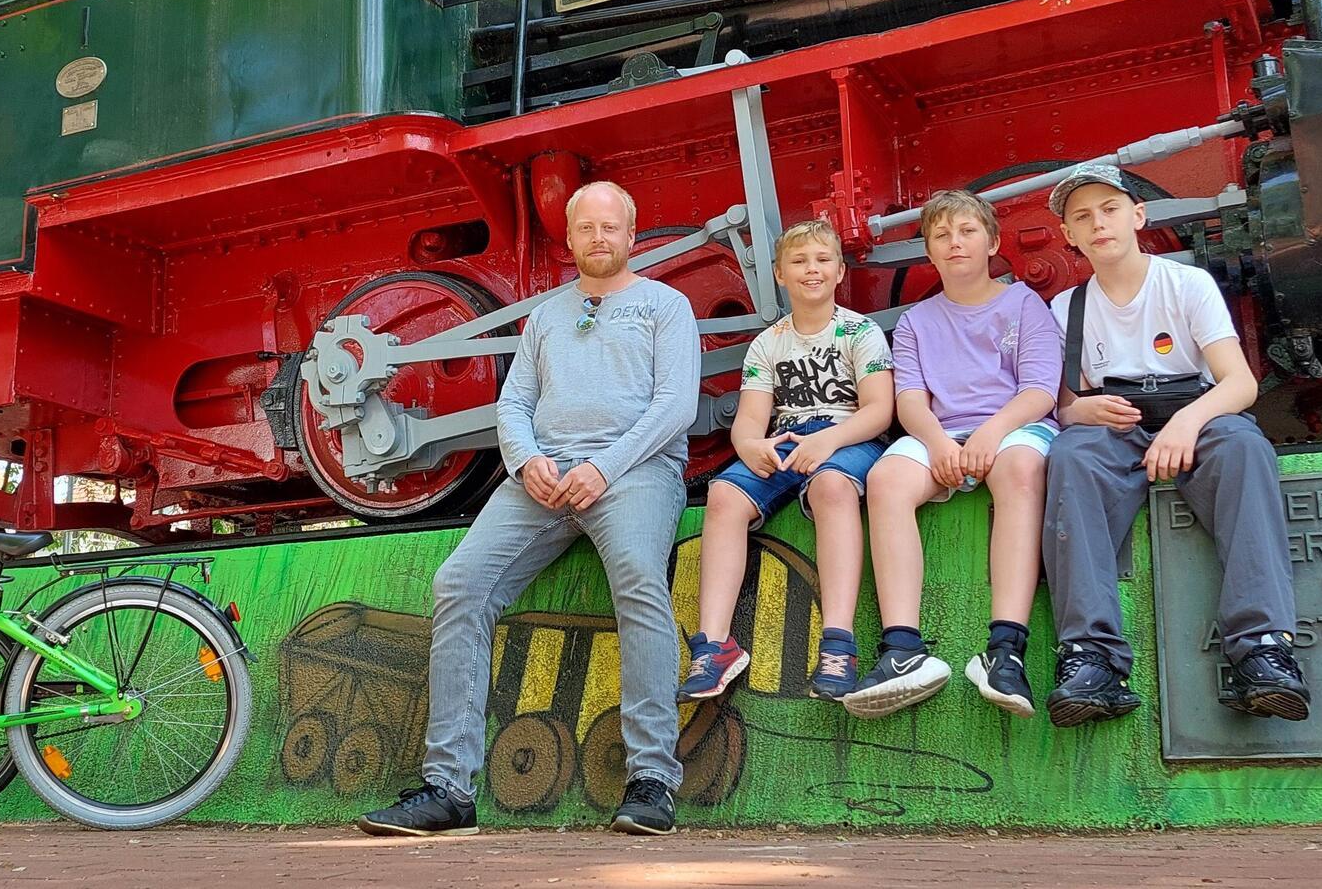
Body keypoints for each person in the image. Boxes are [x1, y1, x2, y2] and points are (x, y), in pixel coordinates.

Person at [356, 181, 701, 838]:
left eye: (611, 227)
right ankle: (449, 790)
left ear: (631, 234)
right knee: (458, 584)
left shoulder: (666, 306)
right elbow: (513, 405)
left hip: (632, 475)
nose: (599, 238)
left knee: (637, 579)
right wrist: (527, 461)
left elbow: (675, 406)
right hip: (541, 481)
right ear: (568, 239)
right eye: (586, 228)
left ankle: (651, 779)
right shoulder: (545, 317)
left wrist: (604, 466)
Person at [1040, 164, 1308, 727]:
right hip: (1116, 418)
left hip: (1197, 410)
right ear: (1069, 236)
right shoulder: (1067, 308)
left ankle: (1262, 648)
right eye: (1081, 218)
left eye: (1110, 210)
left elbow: (1240, 383)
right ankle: (1092, 658)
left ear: (1138, 216)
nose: (1098, 224)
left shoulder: (1186, 284)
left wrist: (1187, 423)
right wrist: (1078, 410)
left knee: (1244, 450)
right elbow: (1061, 404)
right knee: (1068, 458)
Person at [843, 189, 1062, 720]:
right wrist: (940, 442)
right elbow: (911, 400)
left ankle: (1005, 649)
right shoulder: (918, 321)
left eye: (966, 231)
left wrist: (990, 434)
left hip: (1014, 426)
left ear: (992, 242)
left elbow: (1040, 392)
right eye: (941, 235)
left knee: (1020, 468)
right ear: (929, 251)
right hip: (940, 433)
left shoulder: (1023, 305)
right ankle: (902, 650)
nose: (954, 242)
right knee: (887, 480)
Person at [680, 220, 895, 703]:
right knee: (722, 495)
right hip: (788, 439)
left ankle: (839, 641)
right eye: (799, 262)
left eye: (822, 260)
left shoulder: (859, 331)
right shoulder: (768, 343)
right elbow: (750, 418)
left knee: (831, 489)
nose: (811, 270)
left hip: (850, 435)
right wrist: (749, 445)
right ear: (779, 273)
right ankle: (714, 645)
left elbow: (880, 410)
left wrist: (829, 441)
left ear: (840, 270)